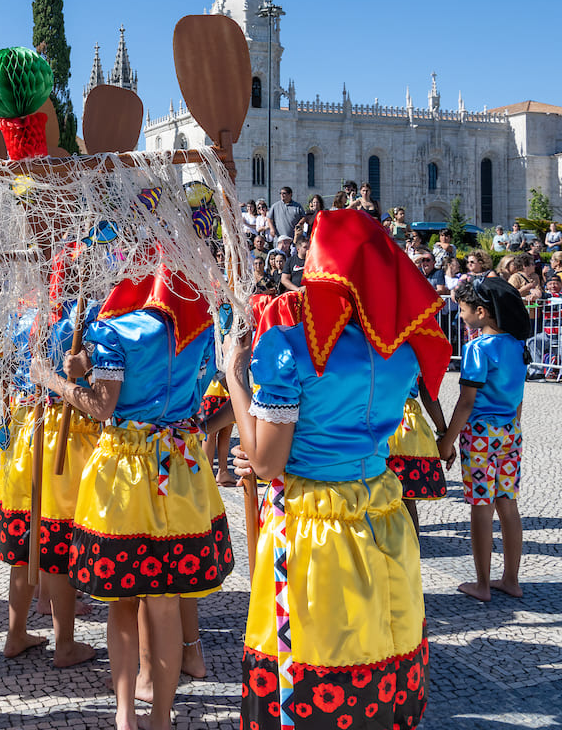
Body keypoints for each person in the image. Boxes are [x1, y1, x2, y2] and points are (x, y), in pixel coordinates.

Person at [226, 209, 448, 729]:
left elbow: (265, 461)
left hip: (312, 521)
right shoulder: (401, 349)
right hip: (381, 512)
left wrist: (234, 375)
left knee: (312, 654)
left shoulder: (288, 346)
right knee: (378, 642)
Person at [31, 262, 232, 730]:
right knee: (163, 602)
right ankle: (160, 718)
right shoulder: (199, 325)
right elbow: (206, 394)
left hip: (122, 469)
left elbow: (102, 407)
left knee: (121, 601)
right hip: (179, 469)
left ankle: (125, 715)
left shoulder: (112, 330)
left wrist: (56, 381)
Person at [0, 249, 99, 668]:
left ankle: (16, 634)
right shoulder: (82, 318)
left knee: (26, 538)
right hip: (61, 433)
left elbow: (4, 371)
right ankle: (64, 644)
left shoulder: (22, 315)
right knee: (55, 541)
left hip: (22, 426)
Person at [438, 277, 531, 602]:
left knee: (481, 505)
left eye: (463, 310)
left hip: (479, 435)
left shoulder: (478, 347)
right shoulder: (518, 345)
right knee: (508, 504)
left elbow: (467, 401)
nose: (460, 315)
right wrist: (513, 428)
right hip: (510, 432)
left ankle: (481, 583)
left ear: (481, 311)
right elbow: (518, 396)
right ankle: (511, 579)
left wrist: (447, 441)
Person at [385, 378, 448, 533]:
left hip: (378, 417)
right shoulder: (417, 352)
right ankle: (413, 552)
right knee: (406, 499)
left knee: (374, 495)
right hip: (408, 423)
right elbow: (428, 392)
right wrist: (443, 433)